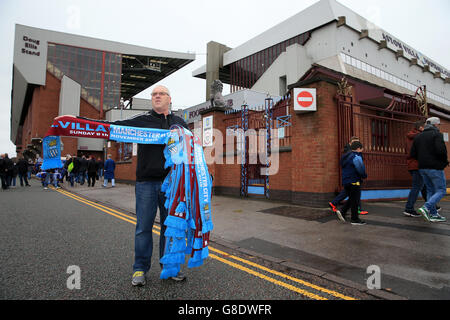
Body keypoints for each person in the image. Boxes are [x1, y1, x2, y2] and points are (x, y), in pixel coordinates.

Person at [57, 85, 188, 286]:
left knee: (169, 228)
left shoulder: (179, 123)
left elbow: (190, 149)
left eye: (161, 94)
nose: (157, 97)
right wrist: (77, 121)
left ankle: (169, 268)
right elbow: (112, 126)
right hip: (146, 183)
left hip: (171, 184)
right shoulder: (142, 120)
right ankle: (139, 270)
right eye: (153, 94)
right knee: (143, 228)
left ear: (170, 99)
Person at [411, 117, 448, 223]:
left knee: (430, 190)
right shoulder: (436, 134)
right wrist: (443, 163)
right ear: (435, 125)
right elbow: (441, 151)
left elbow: (413, 154)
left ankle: (433, 214)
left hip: (422, 168)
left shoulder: (418, 137)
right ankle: (426, 208)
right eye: (438, 125)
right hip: (435, 167)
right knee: (441, 190)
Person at [329, 137, 368, 215]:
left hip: (347, 179)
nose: (356, 144)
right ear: (350, 143)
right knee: (355, 195)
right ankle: (356, 211)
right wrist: (363, 175)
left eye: (358, 142)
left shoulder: (347, 154)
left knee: (349, 193)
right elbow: (359, 168)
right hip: (353, 179)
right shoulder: (354, 154)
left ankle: (336, 205)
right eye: (355, 142)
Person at [404, 120, 427, 217]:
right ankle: (409, 208)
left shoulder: (410, 136)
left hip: (412, 164)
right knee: (417, 187)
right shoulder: (420, 137)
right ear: (421, 127)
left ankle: (431, 205)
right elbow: (421, 151)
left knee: (424, 186)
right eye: (425, 127)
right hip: (418, 164)